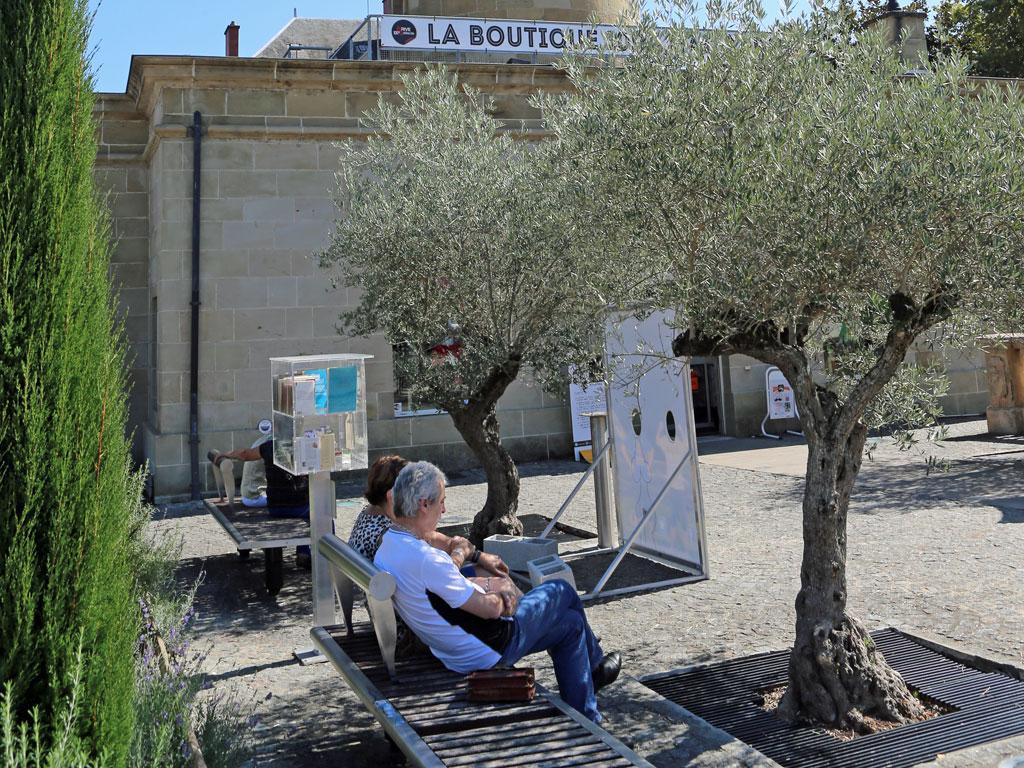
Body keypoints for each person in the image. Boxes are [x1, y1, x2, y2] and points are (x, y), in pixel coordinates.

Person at [374, 461, 621, 722]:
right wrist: (504, 592)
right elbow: (489, 609)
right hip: (485, 648)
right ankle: (595, 667)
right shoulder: (426, 560)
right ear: (424, 504)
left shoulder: (389, 544)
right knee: (560, 590)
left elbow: (443, 588)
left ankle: (588, 718)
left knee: (571, 626)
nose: (444, 510)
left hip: (451, 649)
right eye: (441, 502)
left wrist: (484, 580)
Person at [349, 454, 508, 576]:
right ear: (392, 496)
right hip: (412, 607)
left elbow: (432, 538)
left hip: (398, 597)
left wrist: (474, 554)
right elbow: (444, 575)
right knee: (491, 577)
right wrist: (461, 555)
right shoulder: (388, 536)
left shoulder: (373, 516)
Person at [212, 439, 312, 566]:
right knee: (323, 514)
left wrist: (226, 454)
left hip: (275, 507)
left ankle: (304, 552)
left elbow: (244, 454)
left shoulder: (269, 446)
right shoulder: (303, 446)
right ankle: (312, 553)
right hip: (300, 507)